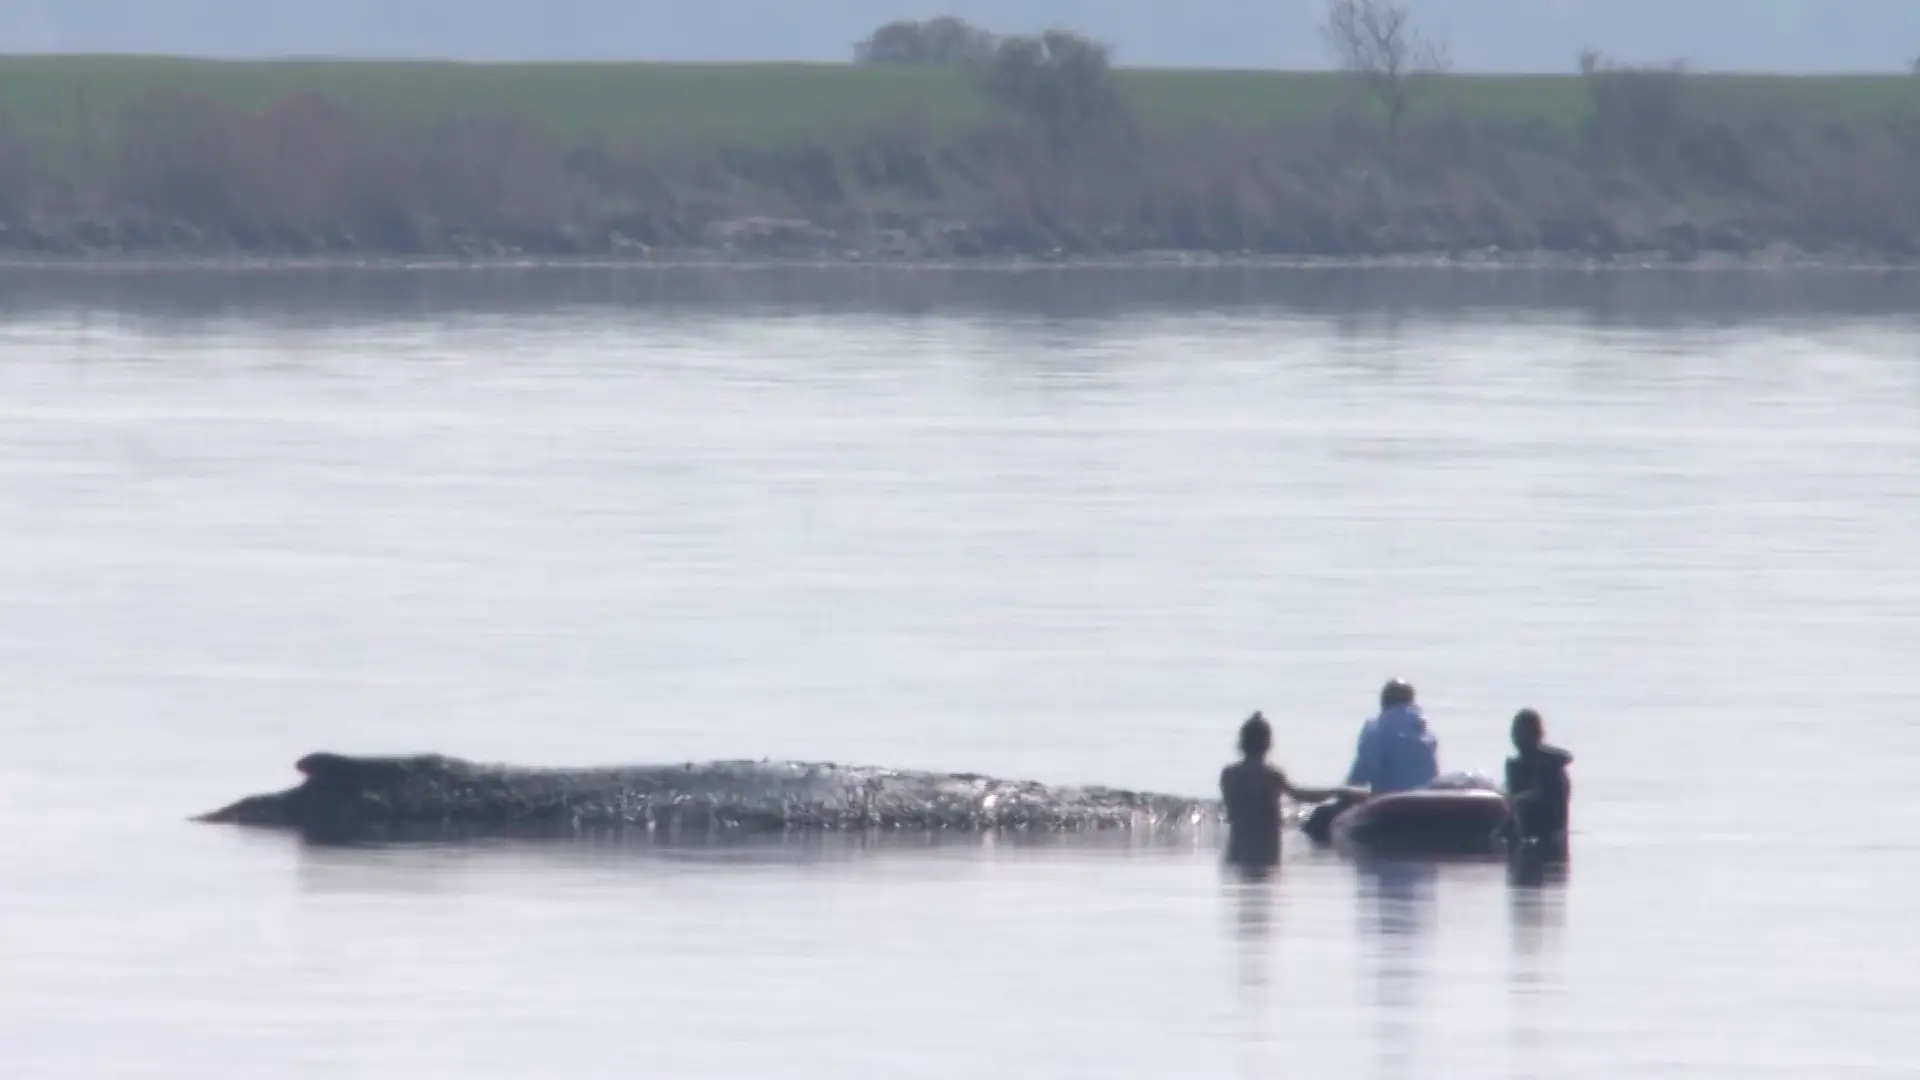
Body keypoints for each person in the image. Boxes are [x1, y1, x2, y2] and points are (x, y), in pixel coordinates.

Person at [1220, 711, 1363, 870]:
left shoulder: (1228, 775)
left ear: (1242, 743)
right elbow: (1301, 796)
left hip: (1235, 850)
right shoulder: (1272, 775)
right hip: (1267, 850)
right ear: (1268, 744)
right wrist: (1337, 792)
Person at [1344, 678, 1441, 795]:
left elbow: (1362, 771)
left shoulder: (1377, 728)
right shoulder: (1426, 733)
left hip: (1390, 804)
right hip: (1425, 801)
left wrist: (1346, 791)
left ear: (1383, 702)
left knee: (1326, 810)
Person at [1503, 708, 1573, 853]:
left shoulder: (1550, 764)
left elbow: (1546, 797)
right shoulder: (1515, 765)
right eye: (1515, 732)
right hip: (1522, 835)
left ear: (1537, 735)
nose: (1515, 737)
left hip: (1547, 836)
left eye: (1521, 732)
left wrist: (1518, 799)